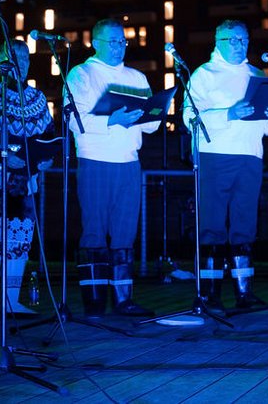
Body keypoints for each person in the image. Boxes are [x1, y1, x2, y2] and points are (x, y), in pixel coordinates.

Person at [182, 20, 268, 310]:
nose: (239, 45)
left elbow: (266, 127)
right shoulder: (204, 74)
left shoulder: (256, 74)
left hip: (251, 155)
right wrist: (228, 113)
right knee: (212, 223)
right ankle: (210, 294)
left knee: (245, 223)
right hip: (215, 154)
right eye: (233, 40)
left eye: (244, 39)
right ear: (219, 41)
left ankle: (244, 293)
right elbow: (189, 118)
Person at [66, 19, 162, 317]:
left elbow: (154, 124)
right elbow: (73, 120)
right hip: (95, 159)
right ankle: (94, 303)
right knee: (94, 229)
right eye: (113, 41)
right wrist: (112, 120)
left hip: (129, 162)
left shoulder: (136, 76)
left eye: (122, 41)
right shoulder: (81, 74)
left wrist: (146, 115)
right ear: (95, 42)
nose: (119, 46)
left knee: (125, 232)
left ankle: (123, 300)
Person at [0, 39, 55, 318]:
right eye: (13, 57)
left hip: (25, 180)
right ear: (0, 61)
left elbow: (49, 136)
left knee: (18, 240)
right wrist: (1, 154)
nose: (20, 64)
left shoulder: (38, 99)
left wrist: (48, 156)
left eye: (25, 58)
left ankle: (11, 299)